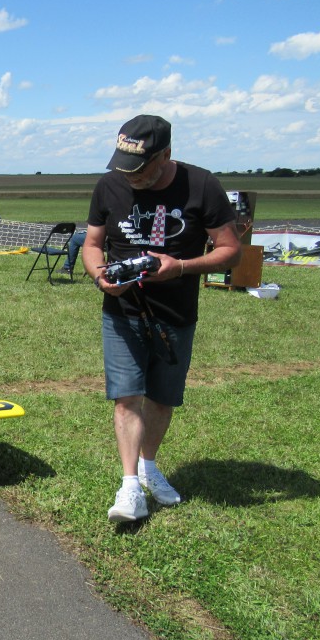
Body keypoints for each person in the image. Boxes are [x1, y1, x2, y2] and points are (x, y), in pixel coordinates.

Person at [81, 114, 241, 522]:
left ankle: (150, 467)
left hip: (176, 313)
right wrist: (100, 275)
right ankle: (130, 486)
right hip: (122, 311)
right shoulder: (109, 184)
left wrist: (180, 267)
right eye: (123, 167)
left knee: (163, 399)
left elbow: (230, 250)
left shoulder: (202, 185)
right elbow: (93, 243)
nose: (129, 177)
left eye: (140, 169)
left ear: (165, 154)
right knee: (126, 396)